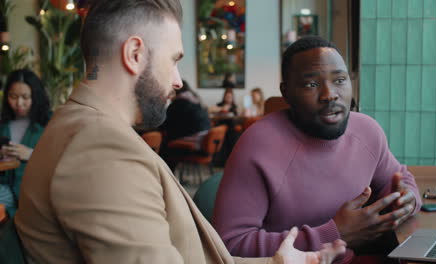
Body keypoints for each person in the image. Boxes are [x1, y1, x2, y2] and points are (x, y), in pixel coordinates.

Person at [14, 2, 345, 264]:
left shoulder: (85, 128)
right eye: (173, 61)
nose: (176, 80)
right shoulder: (101, 149)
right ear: (134, 55)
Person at [213, 36, 422, 264]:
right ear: (286, 92)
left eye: (340, 80)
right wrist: (334, 234)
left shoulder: (367, 131)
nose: (329, 94)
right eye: (311, 84)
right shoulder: (257, 145)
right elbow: (228, 244)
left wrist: (407, 199)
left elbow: (401, 179)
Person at [0, 69, 50, 217]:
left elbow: (62, 160)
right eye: (13, 96)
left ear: (36, 96)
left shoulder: (49, 123)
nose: (19, 103)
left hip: (33, 192)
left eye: (25, 97)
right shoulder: (3, 123)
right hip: (6, 188)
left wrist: (31, 154)